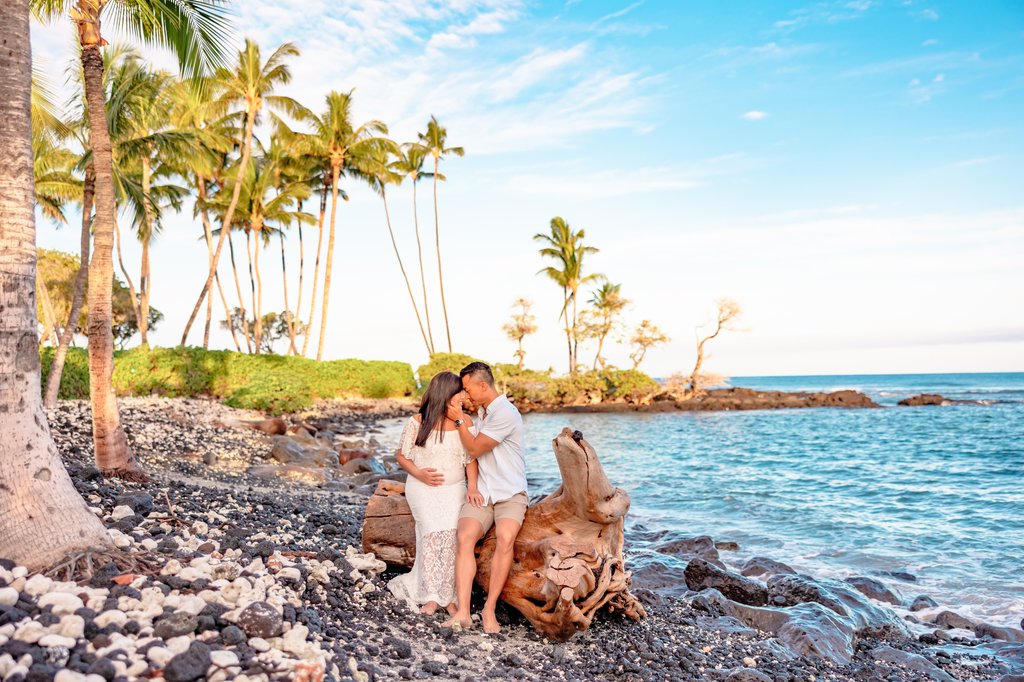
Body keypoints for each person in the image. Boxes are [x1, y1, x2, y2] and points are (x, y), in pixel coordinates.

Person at [388, 372, 482, 615]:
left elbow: (470, 459)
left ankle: (449, 597)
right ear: (445, 394)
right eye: (459, 391)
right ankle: (430, 596)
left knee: (452, 538)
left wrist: (472, 487)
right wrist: (419, 474)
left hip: (454, 489)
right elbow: (401, 455)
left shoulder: (466, 422)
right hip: (422, 488)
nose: (463, 395)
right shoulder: (418, 422)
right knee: (430, 534)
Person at [442, 362, 527, 633]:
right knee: (465, 537)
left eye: (468, 389)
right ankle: (464, 612)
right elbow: (473, 458)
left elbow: (475, 448)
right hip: (484, 492)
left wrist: (457, 420)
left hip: (511, 493)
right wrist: (472, 485)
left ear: (483, 385)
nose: (466, 395)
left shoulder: (506, 413)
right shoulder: (483, 414)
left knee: (505, 537)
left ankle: (489, 609)